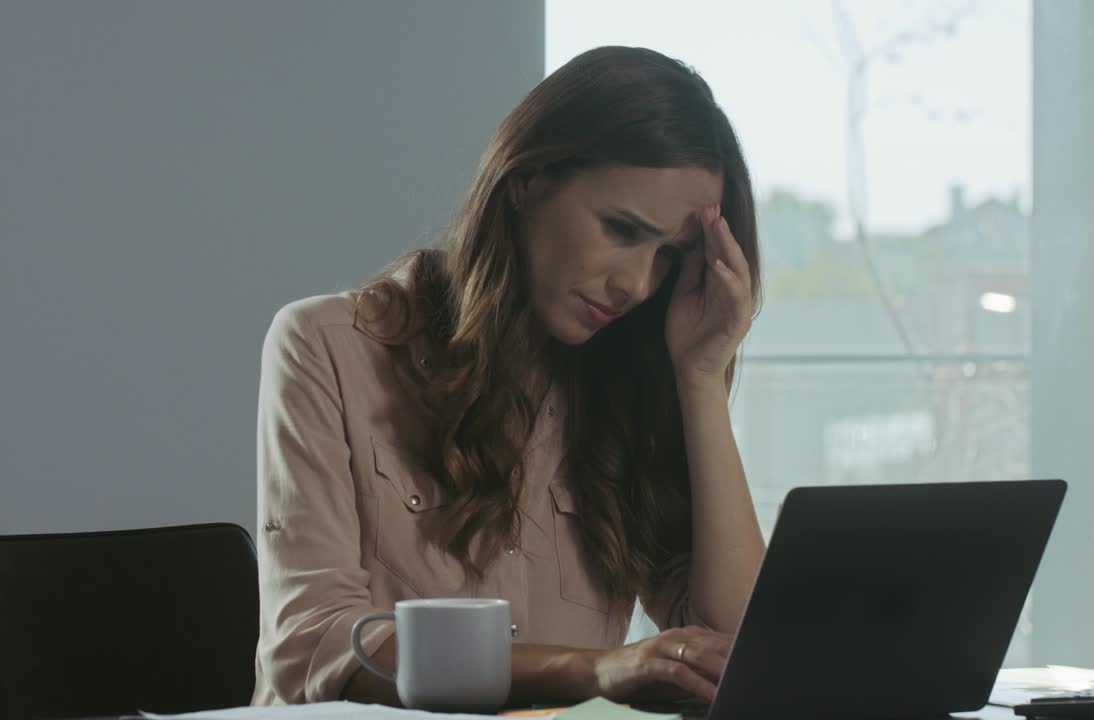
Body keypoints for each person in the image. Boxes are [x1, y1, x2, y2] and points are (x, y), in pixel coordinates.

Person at [252, 45, 764, 708]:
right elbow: (315, 649)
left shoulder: (627, 389)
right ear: (527, 180)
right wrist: (596, 668)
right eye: (620, 229)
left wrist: (701, 376)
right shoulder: (325, 347)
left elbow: (733, 654)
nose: (637, 284)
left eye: (668, 257)